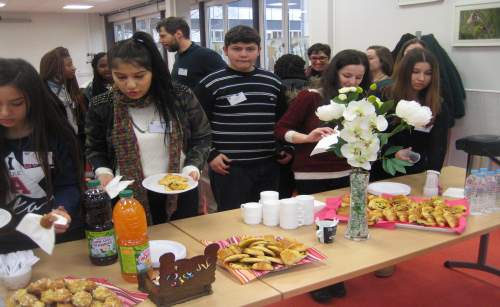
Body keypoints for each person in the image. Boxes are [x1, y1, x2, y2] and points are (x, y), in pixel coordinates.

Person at [275, 49, 371, 304]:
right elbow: (281, 128)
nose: (352, 82)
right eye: (347, 76)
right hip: (311, 173)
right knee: (315, 227)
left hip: (345, 171)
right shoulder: (311, 97)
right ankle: (317, 278)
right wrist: (306, 137)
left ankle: (336, 275)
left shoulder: (359, 101)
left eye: (359, 78)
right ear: (333, 73)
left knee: (338, 226)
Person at [85, 32, 211, 225]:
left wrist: (192, 165)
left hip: (179, 189)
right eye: (121, 77)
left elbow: (202, 136)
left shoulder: (179, 96)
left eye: (139, 76)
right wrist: (103, 171)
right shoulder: (102, 105)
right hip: (127, 193)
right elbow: (95, 147)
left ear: (153, 71)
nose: (131, 85)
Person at [194, 25, 291, 212]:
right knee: (232, 218)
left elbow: (284, 121)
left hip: (268, 165)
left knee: (269, 216)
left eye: (250, 49)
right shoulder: (210, 83)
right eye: (237, 49)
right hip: (229, 168)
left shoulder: (273, 82)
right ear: (225, 50)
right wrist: (210, 154)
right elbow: (196, 125)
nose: (243, 54)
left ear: (259, 51)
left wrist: (286, 147)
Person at [0, 58, 83, 253]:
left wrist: (62, 209)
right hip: (8, 239)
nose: (5, 112)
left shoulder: (56, 135)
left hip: (54, 236)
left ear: (33, 100)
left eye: (16, 103)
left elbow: (69, 184)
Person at [386, 48, 450, 176]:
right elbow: (375, 136)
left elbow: (438, 146)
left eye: (428, 73)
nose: (421, 78)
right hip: (384, 169)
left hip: (416, 172)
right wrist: (394, 152)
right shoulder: (386, 96)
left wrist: (433, 176)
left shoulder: (438, 104)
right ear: (405, 71)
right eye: (415, 72)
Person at [273, 53, 309, 198]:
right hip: (304, 146)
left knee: (281, 190)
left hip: (279, 146)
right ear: (303, 69)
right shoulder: (312, 89)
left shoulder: (274, 86)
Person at [157, 16, 226, 89]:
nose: (160, 40)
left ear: (178, 34)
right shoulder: (178, 55)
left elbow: (227, 80)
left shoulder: (207, 55)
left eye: (163, 36)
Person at [40, 47, 87, 140]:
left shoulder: (66, 87)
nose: (74, 68)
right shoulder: (42, 93)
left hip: (74, 138)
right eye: (69, 65)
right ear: (55, 68)